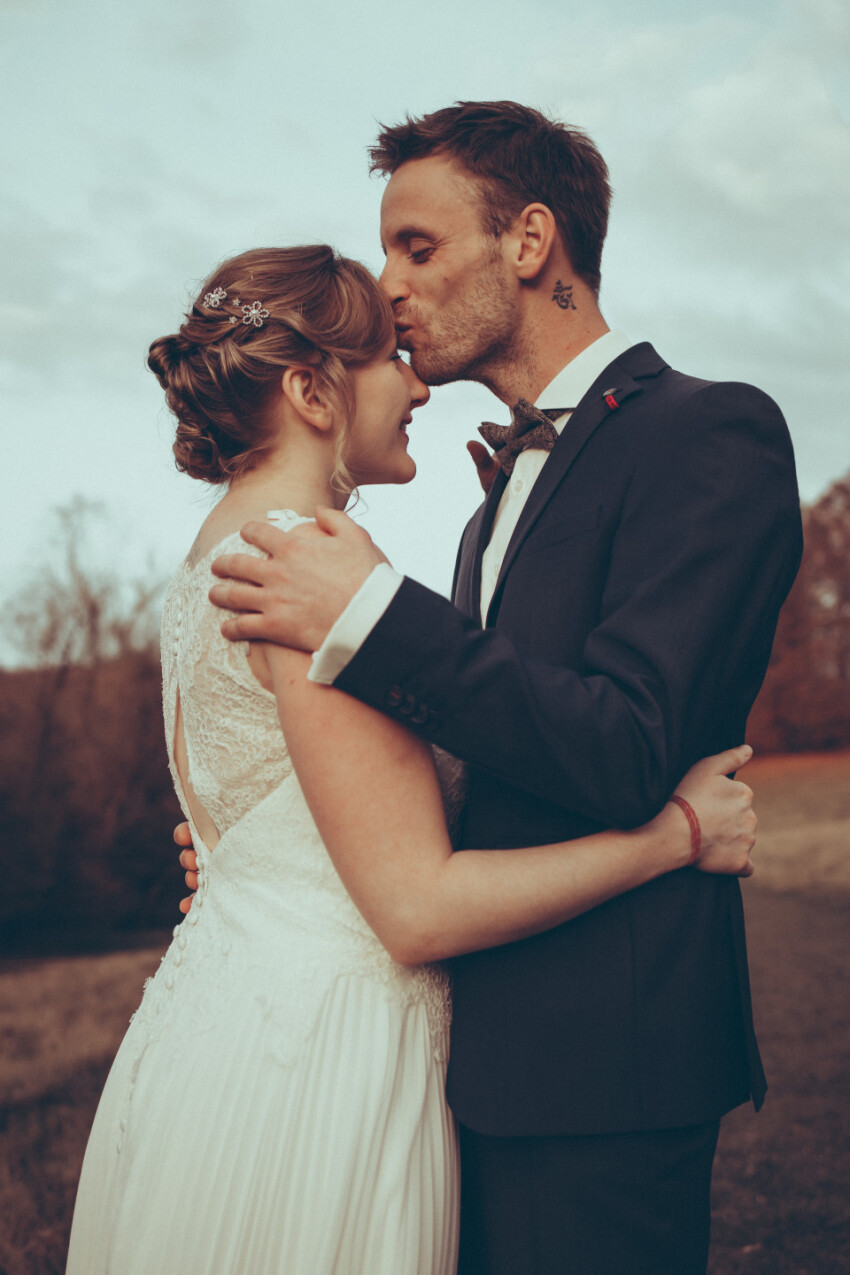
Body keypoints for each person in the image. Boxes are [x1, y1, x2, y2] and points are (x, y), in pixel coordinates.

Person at [66, 244, 757, 1275]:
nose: (417, 379)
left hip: (222, 1036)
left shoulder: (214, 554)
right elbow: (418, 906)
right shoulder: (306, 568)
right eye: (389, 357)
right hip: (322, 1061)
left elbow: (266, 819)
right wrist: (677, 834)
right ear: (310, 389)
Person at [198, 104, 804, 1274]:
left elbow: (627, 744)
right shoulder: (491, 505)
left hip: (608, 1072)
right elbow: (489, 754)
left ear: (529, 243)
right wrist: (290, 853)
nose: (390, 289)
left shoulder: (709, 433)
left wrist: (373, 615)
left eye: (416, 248)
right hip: (469, 1059)